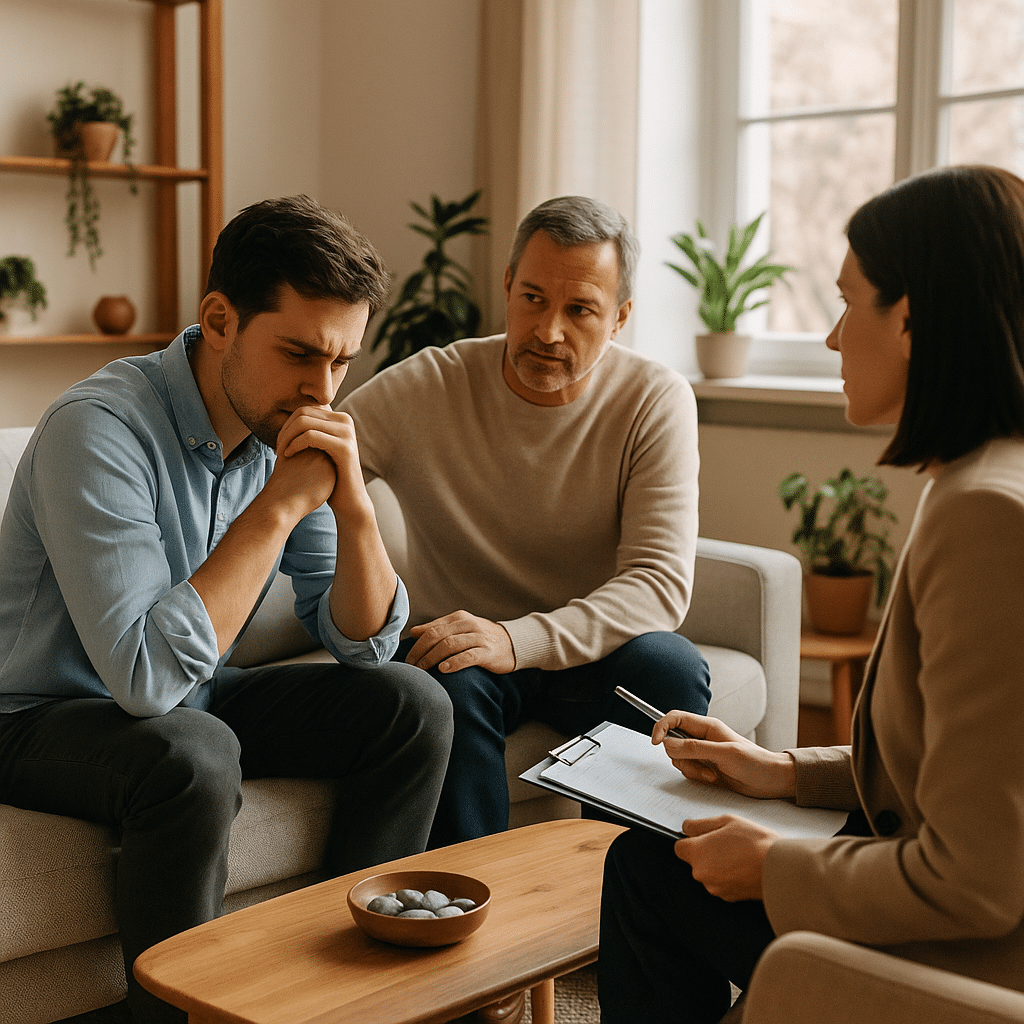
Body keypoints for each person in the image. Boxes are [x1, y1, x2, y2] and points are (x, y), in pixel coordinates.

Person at [0, 195, 454, 1024]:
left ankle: (348, 999)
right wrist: (277, 510)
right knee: (193, 750)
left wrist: (353, 507)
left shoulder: (285, 424)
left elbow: (364, 646)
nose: (322, 390)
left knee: (412, 705)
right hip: (36, 716)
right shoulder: (96, 429)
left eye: (342, 362)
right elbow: (146, 681)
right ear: (219, 320)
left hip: (189, 695)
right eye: (300, 354)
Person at [598, 164, 1024, 1023]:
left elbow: (979, 881)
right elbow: (971, 775)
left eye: (846, 302)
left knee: (649, 873)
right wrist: (783, 771)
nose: (831, 338)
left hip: (973, 965)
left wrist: (773, 867)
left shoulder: (985, 515)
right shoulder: (986, 475)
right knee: (659, 862)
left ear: (910, 321)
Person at [340, 195, 711, 847]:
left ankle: (625, 886)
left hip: (591, 651)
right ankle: (473, 896)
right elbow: (309, 464)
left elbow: (657, 584)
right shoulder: (430, 384)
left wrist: (517, 639)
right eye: (533, 299)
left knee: (670, 667)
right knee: (442, 686)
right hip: (461, 648)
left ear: (620, 317)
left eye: (580, 310)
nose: (548, 332)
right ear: (508, 286)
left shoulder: (654, 399)